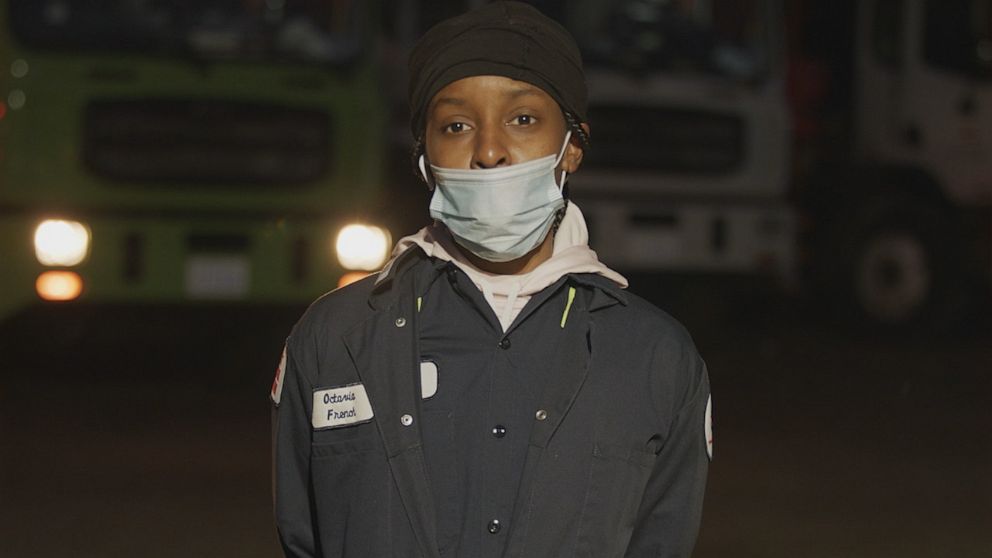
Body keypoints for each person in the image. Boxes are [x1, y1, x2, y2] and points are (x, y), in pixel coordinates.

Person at [270, 2, 711, 557]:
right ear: (424, 158)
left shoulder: (656, 356)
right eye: (456, 125)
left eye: (522, 119)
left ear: (571, 146)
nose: (489, 151)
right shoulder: (336, 338)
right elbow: (301, 536)